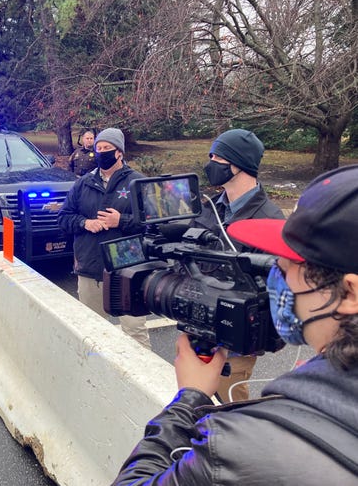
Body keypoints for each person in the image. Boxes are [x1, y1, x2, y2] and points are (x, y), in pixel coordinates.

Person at [112, 164, 358, 485]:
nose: (275, 282)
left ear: (349, 292)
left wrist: (189, 399)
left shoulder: (240, 446)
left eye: (284, 268)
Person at [192, 128, 284, 402]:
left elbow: (272, 292)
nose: (210, 164)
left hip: (235, 344)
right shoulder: (211, 206)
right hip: (202, 328)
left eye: (216, 158)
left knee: (231, 410)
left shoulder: (269, 219)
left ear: (237, 165)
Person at [59, 128, 151, 349]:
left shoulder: (137, 182)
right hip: (90, 265)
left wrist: (121, 221)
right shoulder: (83, 183)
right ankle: (95, 377)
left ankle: (140, 376)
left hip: (127, 266)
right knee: (92, 332)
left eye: (106, 149)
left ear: (119, 152)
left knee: (134, 330)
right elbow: (64, 217)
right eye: (98, 148)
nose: (100, 153)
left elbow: (152, 224)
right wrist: (84, 223)